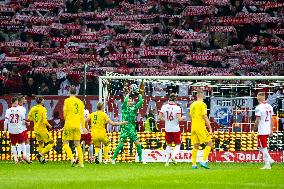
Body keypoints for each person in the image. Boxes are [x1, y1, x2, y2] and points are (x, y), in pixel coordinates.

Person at [111, 89, 146, 164]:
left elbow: (141, 101)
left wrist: (138, 93)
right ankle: (113, 159)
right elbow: (125, 100)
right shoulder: (124, 107)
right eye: (129, 101)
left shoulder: (134, 108)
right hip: (125, 128)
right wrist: (129, 93)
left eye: (131, 101)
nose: (130, 102)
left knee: (138, 145)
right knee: (120, 145)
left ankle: (140, 159)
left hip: (132, 129)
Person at [158, 93, 184, 166]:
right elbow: (180, 119)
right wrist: (183, 118)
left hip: (167, 129)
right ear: (176, 100)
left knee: (168, 145)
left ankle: (166, 162)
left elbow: (159, 118)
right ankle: (173, 157)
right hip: (175, 129)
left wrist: (166, 120)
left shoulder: (164, 106)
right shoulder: (177, 108)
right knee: (178, 144)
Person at [190, 90, 213, 169]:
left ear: (196, 96)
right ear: (203, 96)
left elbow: (191, 117)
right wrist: (210, 128)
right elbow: (205, 116)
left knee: (196, 145)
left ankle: (193, 164)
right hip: (200, 127)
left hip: (193, 127)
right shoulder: (203, 104)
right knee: (210, 143)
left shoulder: (192, 104)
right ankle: (203, 161)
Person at [62, 87, 85, 167]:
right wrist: (83, 126)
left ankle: (72, 159)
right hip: (77, 125)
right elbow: (82, 116)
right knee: (77, 144)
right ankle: (81, 163)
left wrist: (66, 120)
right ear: (76, 93)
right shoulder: (80, 102)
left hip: (69, 124)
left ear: (69, 92)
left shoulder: (67, 101)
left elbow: (64, 112)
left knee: (65, 143)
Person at [28, 96, 54, 164]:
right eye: (43, 100)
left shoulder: (33, 108)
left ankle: (41, 160)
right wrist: (50, 126)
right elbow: (45, 121)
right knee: (51, 143)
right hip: (42, 129)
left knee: (41, 144)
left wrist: (36, 120)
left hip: (36, 129)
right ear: (42, 101)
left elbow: (29, 118)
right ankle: (40, 155)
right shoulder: (43, 109)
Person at [3, 97, 29, 164]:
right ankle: (24, 156)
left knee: (13, 144)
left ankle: (16, 160)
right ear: (16, 102)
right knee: (22, 142)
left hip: (11, 130)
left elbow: (5, 121)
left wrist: (5, 131)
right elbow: (23, 122)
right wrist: (25, 123)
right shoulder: (20, 110)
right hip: (19, 130)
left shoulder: (8, 110)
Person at [254, 92, 275, 169]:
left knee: (263, 147)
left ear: (258, 98)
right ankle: (267, 165)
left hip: (262, 130)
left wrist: (253, 130)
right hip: (268, 129)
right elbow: (272, 119)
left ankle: (270, 160)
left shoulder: (258, 107)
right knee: (260, 146)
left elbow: (257, 121)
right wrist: (271, 130)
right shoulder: (269, 106)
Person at [17, 95, 31, 162]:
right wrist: (27, 123)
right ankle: (27, 157)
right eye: (24, 99)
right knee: (27, 142)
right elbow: (22, 119)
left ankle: (19, 156)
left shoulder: (14, 108)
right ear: (21, 101)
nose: (25, 100)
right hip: (22, 127)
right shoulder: (22, 108)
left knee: (20, 142)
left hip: (16, 127)